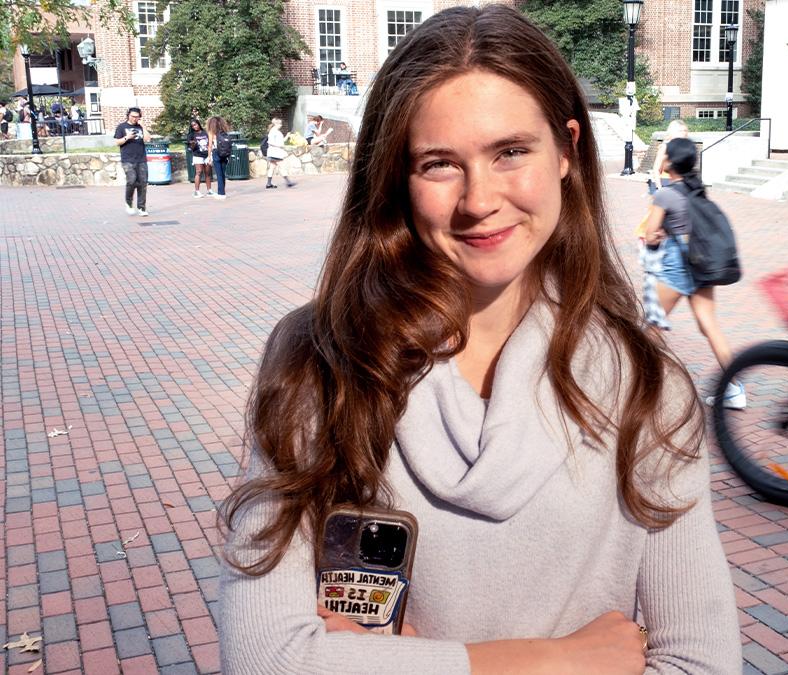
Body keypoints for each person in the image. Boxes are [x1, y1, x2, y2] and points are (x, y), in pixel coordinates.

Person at [217, 6, 740, 674]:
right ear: (395, 180)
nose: (479, 199)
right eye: (439, 164)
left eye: (511, 151)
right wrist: (555, 661)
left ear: (567, 153)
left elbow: (703, 660)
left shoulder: (645, 386)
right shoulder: (319, 361)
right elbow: (267, 658)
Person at [641, 138, 744, 409]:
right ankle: (735, 389)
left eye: (664, 153)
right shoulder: (695, 189)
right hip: (701, 264)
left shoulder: (664, 194)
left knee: (650, 327)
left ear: (670, 163)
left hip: (677, 267)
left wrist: (658, 234)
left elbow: (650, 235)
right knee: (709, 326)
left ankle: (637, 388)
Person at [113, 107, 149, 216]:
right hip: (128, 159)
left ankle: (141, 208)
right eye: (133, 116)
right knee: (132, 180)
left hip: (141, 158)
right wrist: (127, 137)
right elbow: (117, 142)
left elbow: (147, 139)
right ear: (128, 115)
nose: (134, 118)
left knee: (142, 183)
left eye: (137, 116)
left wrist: (143, 126)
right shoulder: (121, 127)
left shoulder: (140, 127)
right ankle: (128, 203)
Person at [649, 119, 689, 194]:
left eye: (685, 130)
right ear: (673, 132)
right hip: (666, 182)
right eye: (680, 131)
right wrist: (659, 188)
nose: (684, 133)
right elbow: (656, 169)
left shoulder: (685, 148)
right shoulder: (665, 147)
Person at [264, 117, 294, 188]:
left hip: (274, 152)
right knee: (281, 166)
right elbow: (270, 142)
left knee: (272, 167)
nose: (281, 125)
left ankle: (269, 183)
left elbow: (281, 141)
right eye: (280, 124)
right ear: (276, 124)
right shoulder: (273, 131)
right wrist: (279, 146)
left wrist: (287, 136)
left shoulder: (276, 132)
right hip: (275, 152)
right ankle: (288, 182)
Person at [205, 116, 230, 200]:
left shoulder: (211, 132)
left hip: (216, 153)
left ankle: (221, 193)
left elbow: (210, 146)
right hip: (225, 153)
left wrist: (209, 156)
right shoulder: (223, 131)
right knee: (223, 173)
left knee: (219, 174)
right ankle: (223, 191)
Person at [187, 118, 213, 198]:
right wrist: (192, 144)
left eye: (196, 124)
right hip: (197, 155)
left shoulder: (205, 132)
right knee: (198, 172)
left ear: (198, 124)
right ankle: (197, 191)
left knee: (208, 173)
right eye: (193, 126)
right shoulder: (191, 135)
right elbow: (190, 148)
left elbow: (209, 143)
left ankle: (209, 190)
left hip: (206, 155)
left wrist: (209, 155)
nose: (195, 126)